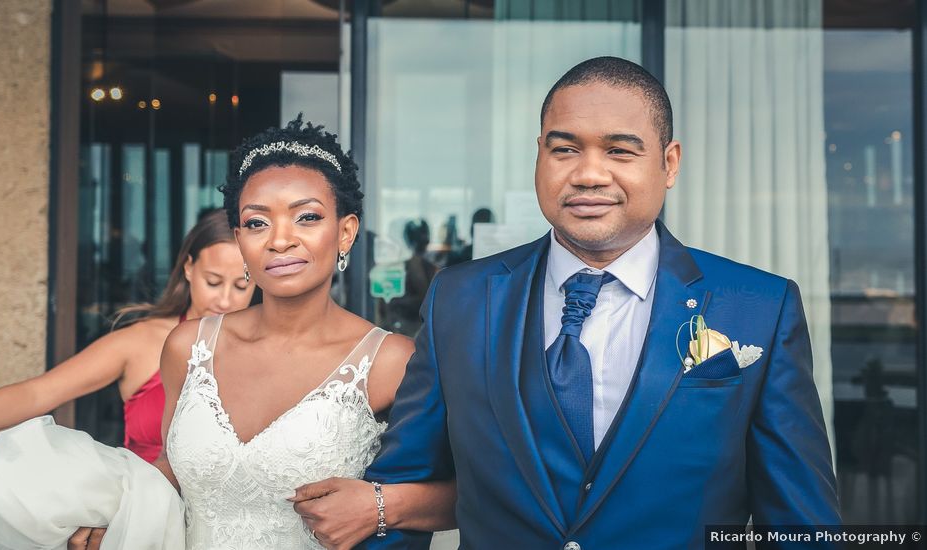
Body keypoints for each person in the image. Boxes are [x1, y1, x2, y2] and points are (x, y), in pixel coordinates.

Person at [352, 56, 841, 549]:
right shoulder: (458, 298)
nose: (588, 174)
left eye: (619, 152)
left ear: (668, 163)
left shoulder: (758, 307)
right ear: (539, 156)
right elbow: (398, 491)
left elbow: (802, 526)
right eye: (564, 149)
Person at [148, 114, 455, 549]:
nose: (279, 240)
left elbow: (469, 495)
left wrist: (380, 505)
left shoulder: (390, 362)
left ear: (345, 232)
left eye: (306, 218)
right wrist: (113, 507)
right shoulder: (188, 346)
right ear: (240, 240)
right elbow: (172, 469)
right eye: (257, 223)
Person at [0, 208, 254, 463]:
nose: (225, 300)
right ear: (188, 268)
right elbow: (38, 393)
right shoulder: (142, 341)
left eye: (242, 285)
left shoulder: (270, 346)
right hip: (148, 503)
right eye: (213, 282)